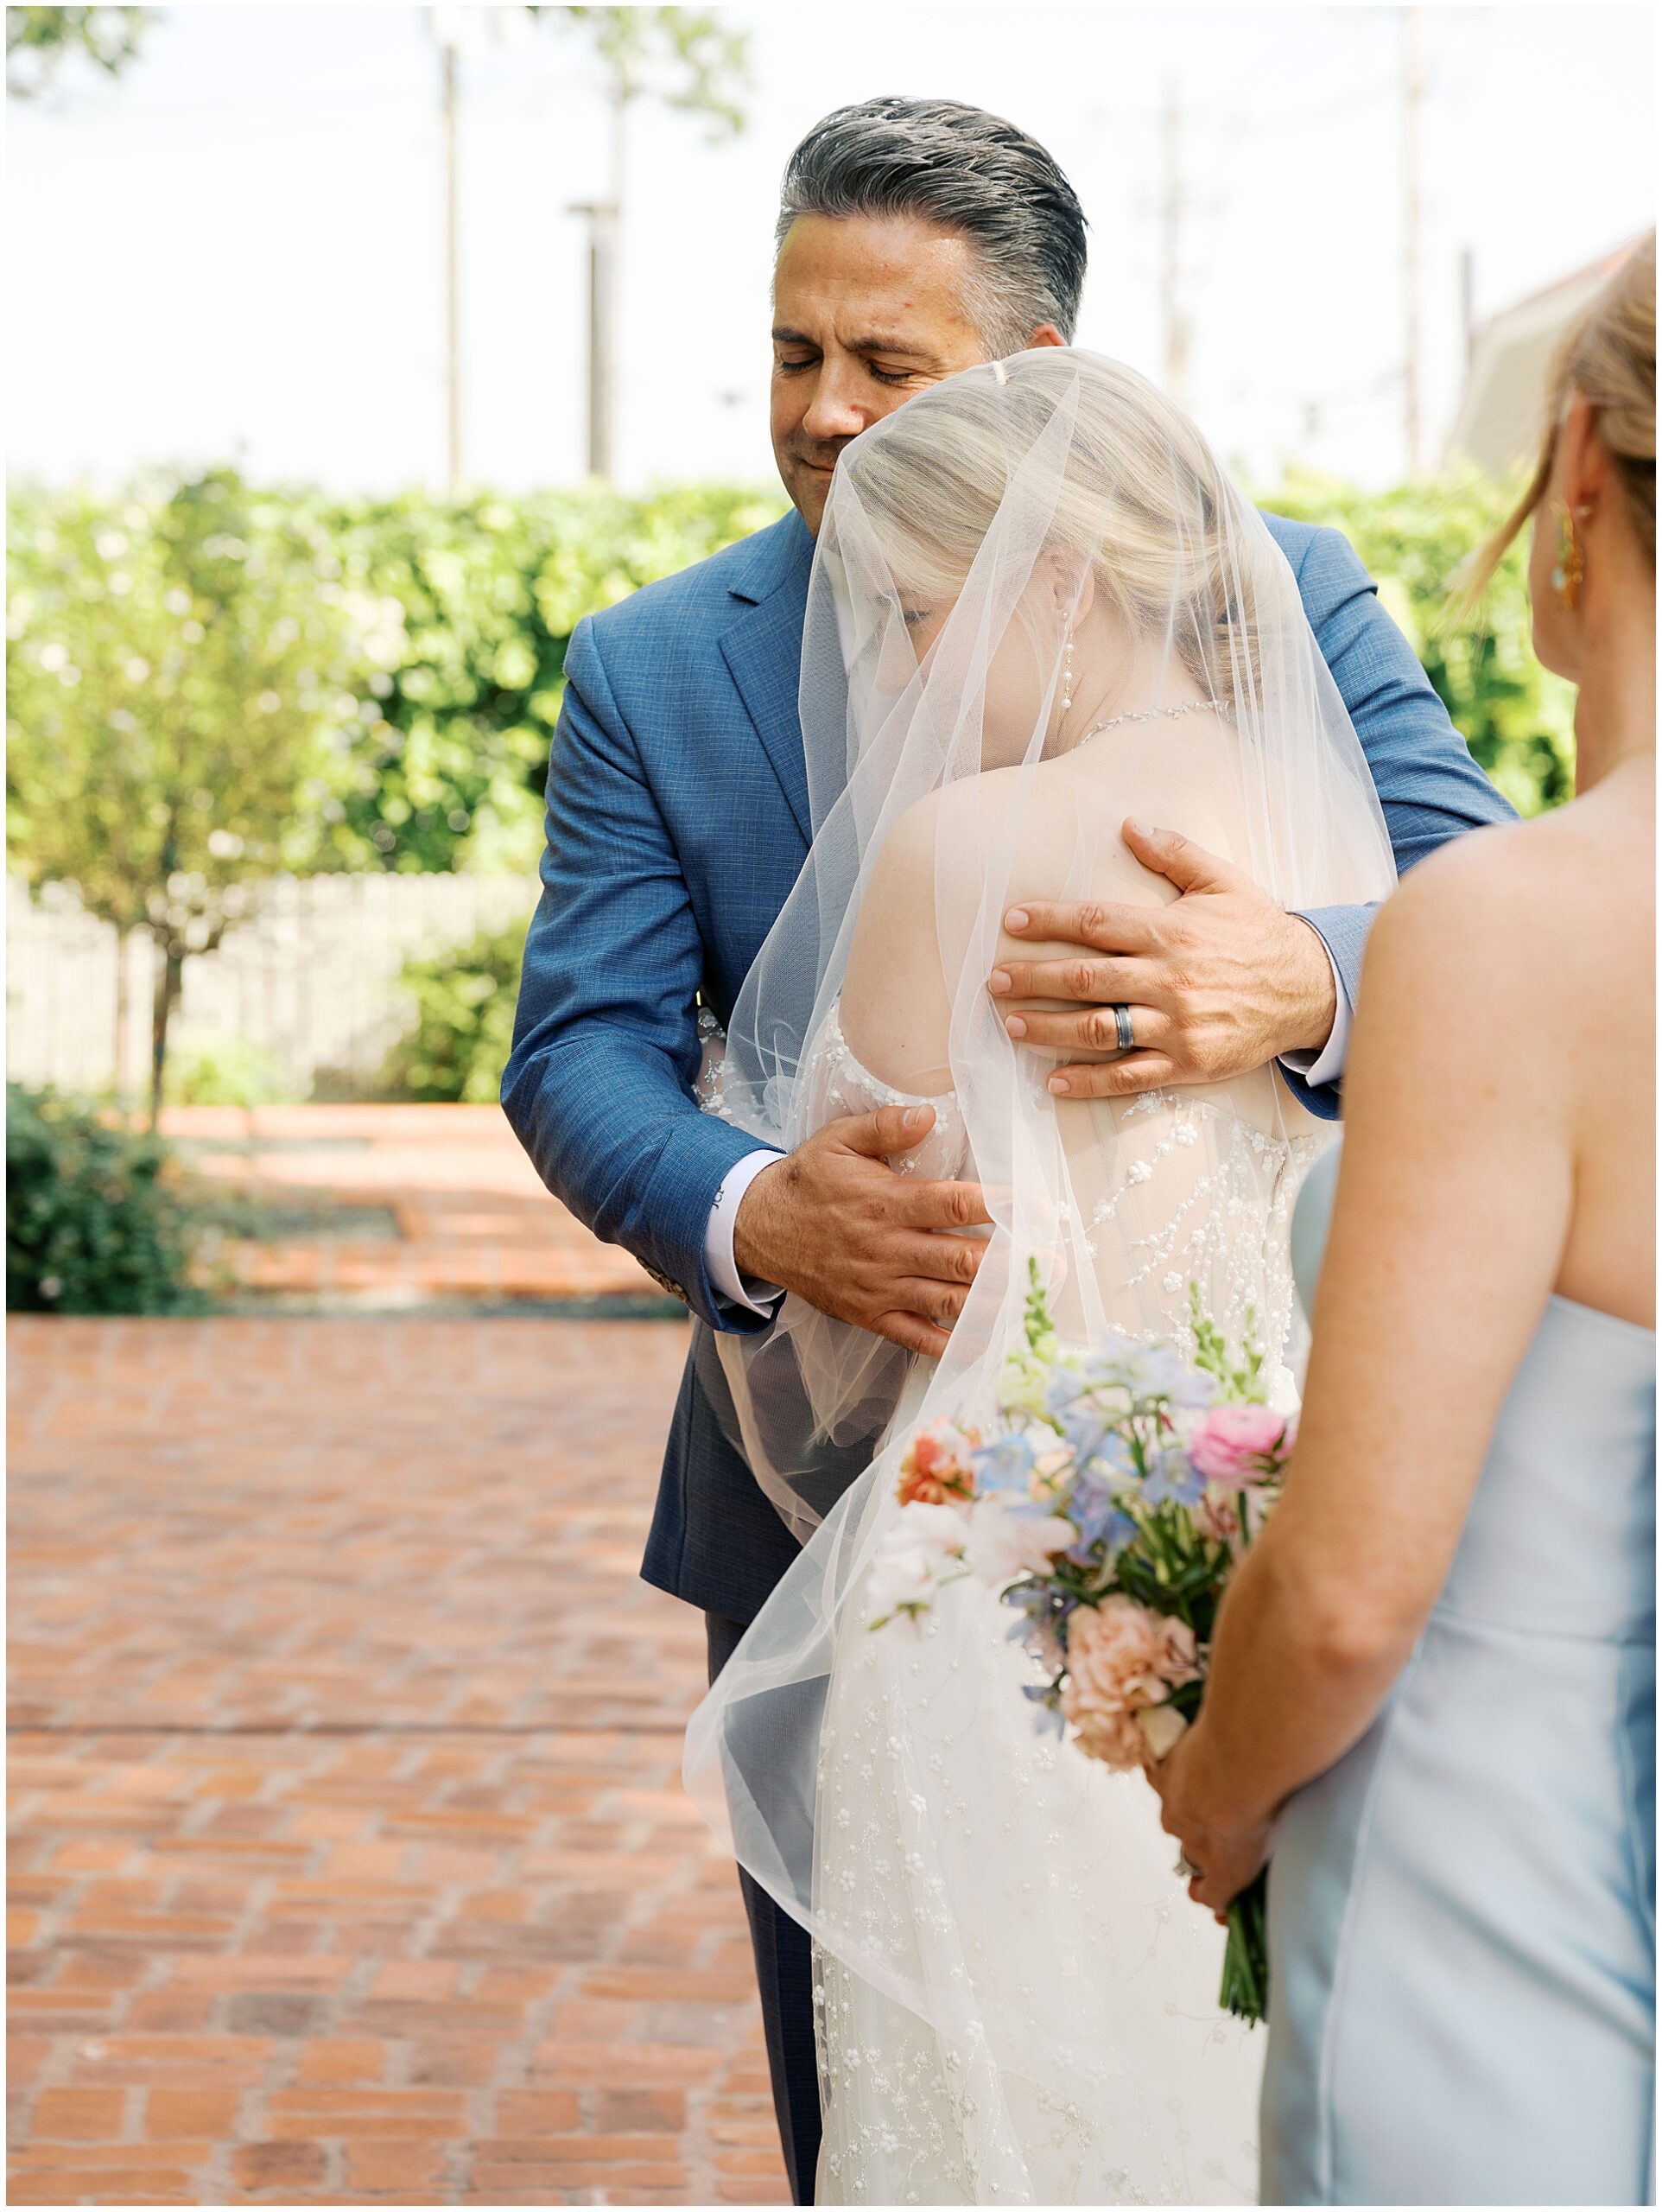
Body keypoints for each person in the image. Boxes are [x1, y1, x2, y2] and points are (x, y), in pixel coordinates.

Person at [501, 97, 1513, 2202]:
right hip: (847, 1526)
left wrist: (1298, 980)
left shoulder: (1278, 591)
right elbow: (577, 1054)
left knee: (1272, 2065)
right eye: (792, 354)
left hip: (1265, 1486)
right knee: (896, 2084)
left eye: (889, 365)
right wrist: (752, 1204)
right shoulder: (649, 663)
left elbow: (1489, 899)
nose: (825, 414)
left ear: (1043, 382)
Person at [1153, 234, 1655, 2206]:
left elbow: (1352, 1585)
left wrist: (1210, 1792)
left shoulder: (1515, 929)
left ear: (1583, 474)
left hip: (1496, 1931)